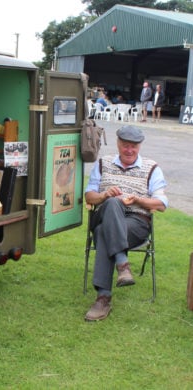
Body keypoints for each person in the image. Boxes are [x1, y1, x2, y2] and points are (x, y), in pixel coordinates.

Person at [84, 125, 168, 321]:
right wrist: (104, 195)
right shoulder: (103, 163)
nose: (129, 150)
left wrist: (138, 200)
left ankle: (103, 298)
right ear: (118, 144)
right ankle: (123, 265)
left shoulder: (151, 168)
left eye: (134, 147)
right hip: (104, 213)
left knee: (104, 232)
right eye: (125, 146)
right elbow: (89, 196)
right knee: (113, 202)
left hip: (135, 223)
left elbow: (162, 204)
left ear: (140, 146)